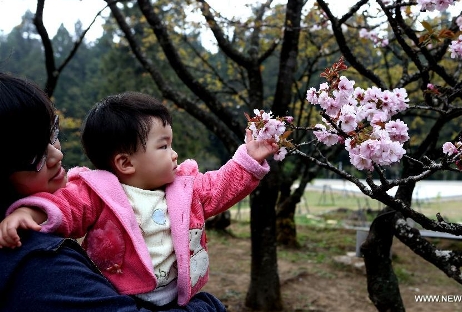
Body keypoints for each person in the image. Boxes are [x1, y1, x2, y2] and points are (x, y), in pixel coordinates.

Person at [0, 91, 278, 309]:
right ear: (125, 162)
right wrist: (30, 213)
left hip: (176, 299)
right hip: (119, 296)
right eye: (164, 146)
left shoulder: (185, 189)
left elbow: (221, 186)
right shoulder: (96, 192)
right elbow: (66, 208)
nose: (174, 154)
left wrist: (248, 159)